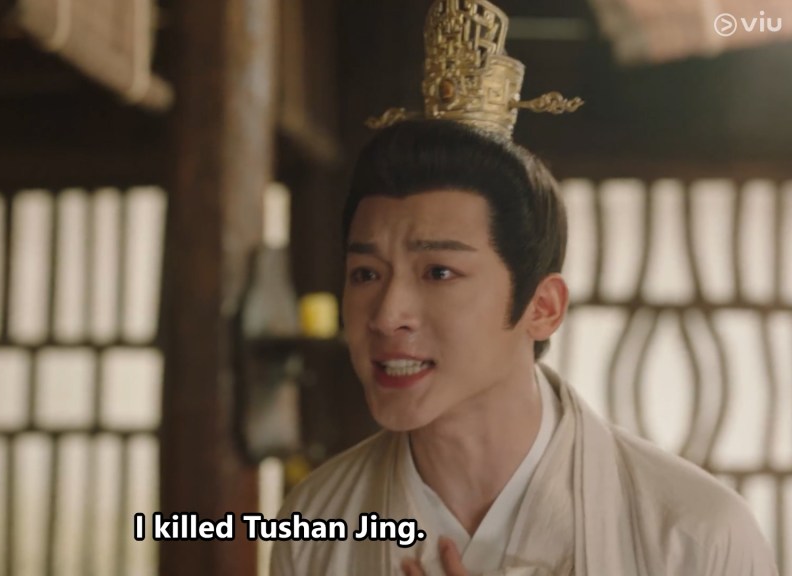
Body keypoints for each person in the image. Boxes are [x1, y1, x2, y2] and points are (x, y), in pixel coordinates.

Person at [269, 3, 778, 573]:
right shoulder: (316, 523)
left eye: (438, 272)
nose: (388, 315)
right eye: (367, 274)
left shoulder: (696, 536)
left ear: (542, 306)